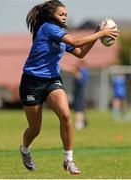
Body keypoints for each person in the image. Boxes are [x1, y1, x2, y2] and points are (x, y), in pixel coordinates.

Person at [19, 0, 119, 175]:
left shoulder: (61, 33)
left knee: (66, 115)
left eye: (65, 14)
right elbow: (76, 41)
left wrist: (97, 34)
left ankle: (69, 160)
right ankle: (25, 149)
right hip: (31, 82)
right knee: (35, 129)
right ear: (51, 15)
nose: (64, 16)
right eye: (61, 14)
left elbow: (80, 52)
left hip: (52, 81)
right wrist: (101, 33)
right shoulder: (49, 28)